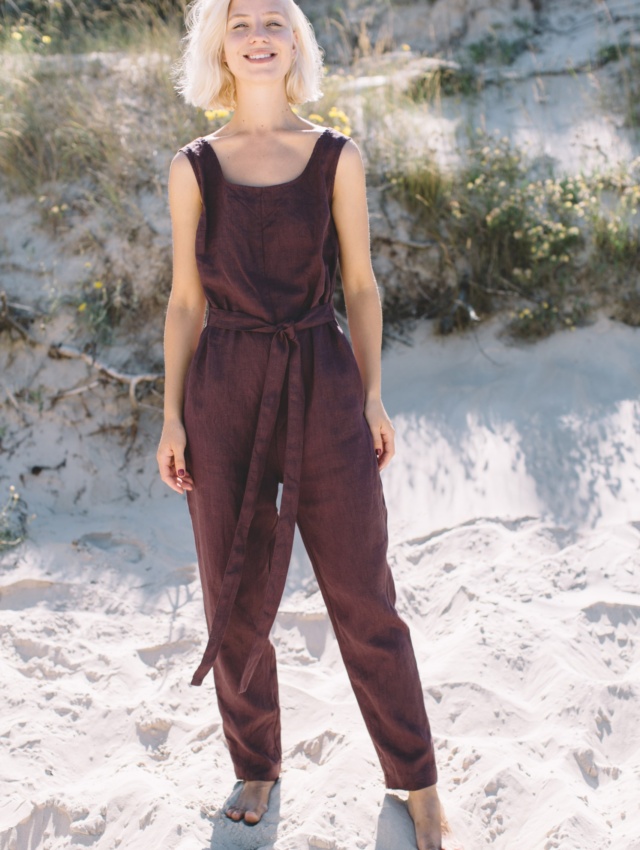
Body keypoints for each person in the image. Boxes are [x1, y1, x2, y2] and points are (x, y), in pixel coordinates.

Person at [156, 1, 447, 847]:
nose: (257, 35)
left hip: (322, 375)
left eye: (274, 22)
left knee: (364, 588)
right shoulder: (193, 165)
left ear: (295, 44)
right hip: (225, 382)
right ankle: (255, 761)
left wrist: (372, 394)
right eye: (240, 22)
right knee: (233, 589)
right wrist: (171, 417)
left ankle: (415, 776)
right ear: (221, 44)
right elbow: (184, 300)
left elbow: (360, 286)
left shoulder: (335, 157)